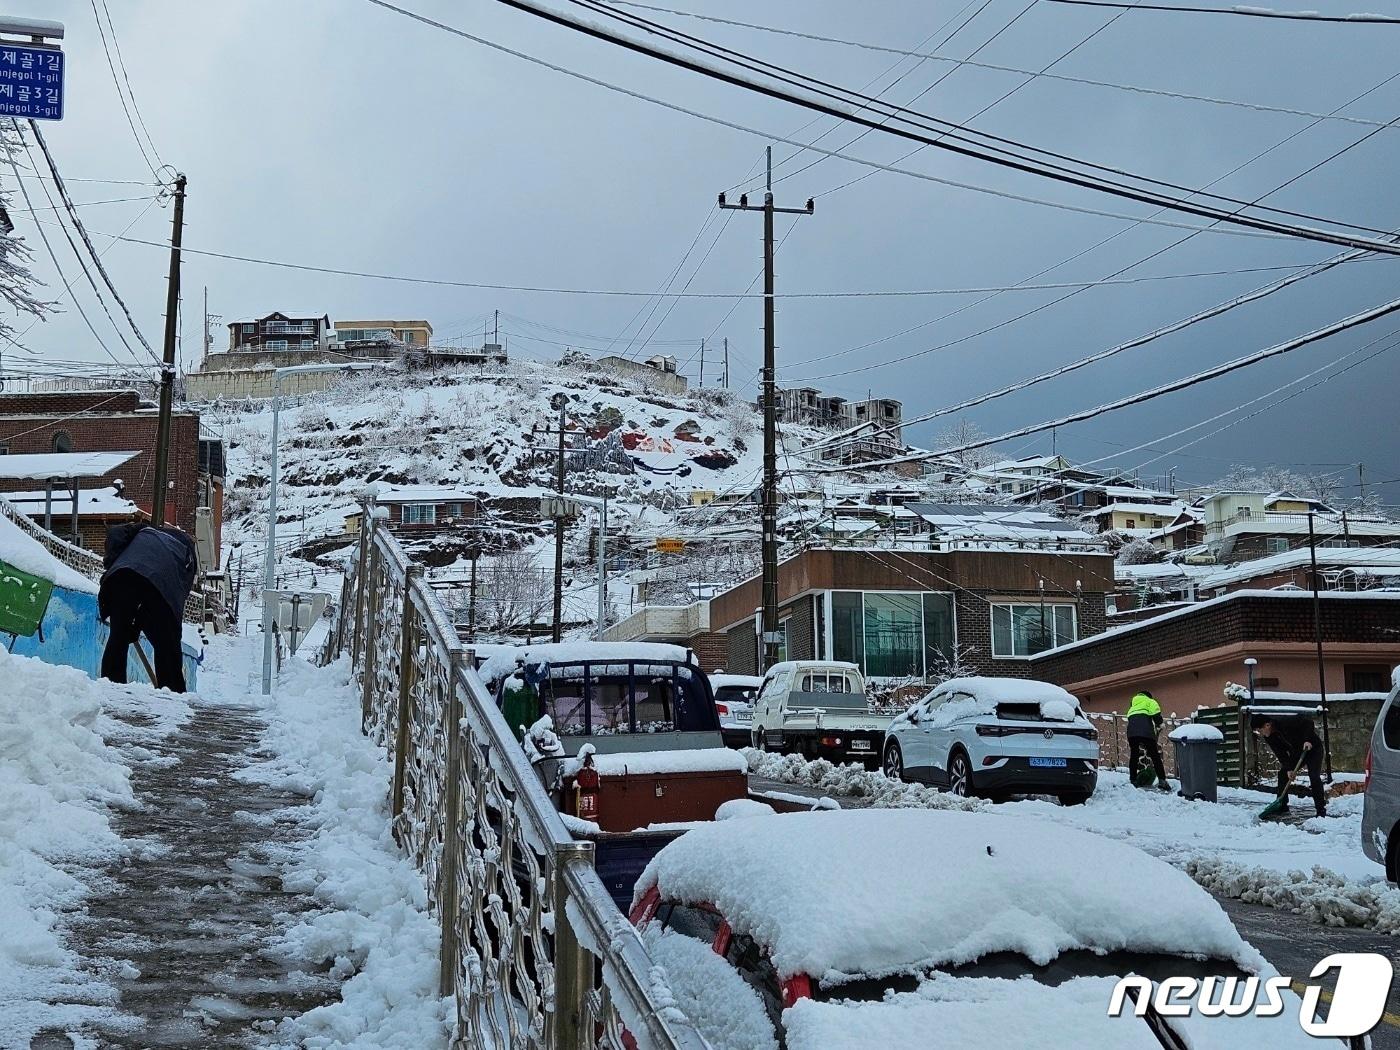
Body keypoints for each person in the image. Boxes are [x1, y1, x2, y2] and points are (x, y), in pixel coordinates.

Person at [98, 519, 197, 693]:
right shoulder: (185, 552)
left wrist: (134, 627)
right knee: (167, 644)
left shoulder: (142, 532)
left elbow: (115, 536)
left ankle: (111, 690)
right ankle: (173, 695)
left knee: (118, 636)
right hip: (160, 584)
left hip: (122, 576)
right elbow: (171, 601)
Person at [1253, 712, 1327, 818]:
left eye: (1260, 730)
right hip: (1297, 753)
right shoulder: (1269, 737)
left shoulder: (1285, 722)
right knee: (1283, 774)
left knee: (1314, 776)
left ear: (1267, 725)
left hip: (1313, 749)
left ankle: (1321, 810)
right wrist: (1288, 769)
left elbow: (1308, 722)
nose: (1260, 733)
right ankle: (1282, 806)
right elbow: (1281, 753)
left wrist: (1307, 739)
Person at [1125, 689, 1169, 790]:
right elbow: (1156, 714)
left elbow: (1132, 719)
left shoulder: (1133, 705)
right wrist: (1160, 725)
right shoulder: (1150, 701)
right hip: (1146, 731)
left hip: (1131, 733)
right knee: (1154, 755)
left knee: (1134, 755)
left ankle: (1133, 780)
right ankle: (1162, 780)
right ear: (1148, 696)